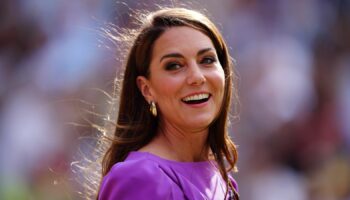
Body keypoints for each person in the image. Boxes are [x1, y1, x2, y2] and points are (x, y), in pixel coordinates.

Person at [97, 7, 239, 200]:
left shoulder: (221, 177)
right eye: (174, 65)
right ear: (147, 89)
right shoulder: (139, 178)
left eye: (206, 60)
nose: (197, 77)